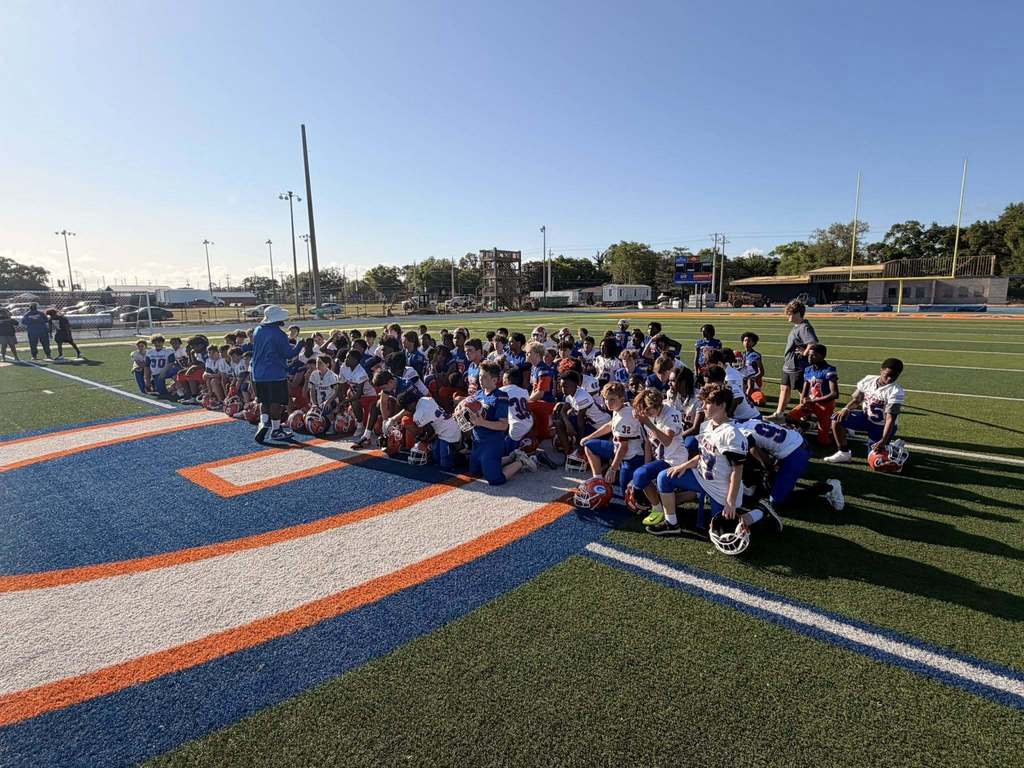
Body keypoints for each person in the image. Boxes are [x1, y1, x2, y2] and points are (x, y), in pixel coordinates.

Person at [649, 384, 749, 537]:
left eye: (707, 403)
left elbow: (737, 471)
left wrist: (730, 501)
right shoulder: (706, 425)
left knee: (722, 533)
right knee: (664, 477)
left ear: (722, 405)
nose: (703, 407)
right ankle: (672, 523)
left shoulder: (732, 434)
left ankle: (759, 512)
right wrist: (684, 466)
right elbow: (703, 455)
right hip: (702, 477)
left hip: (721, 488)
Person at [467, 361, 537, 484]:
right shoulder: (479, 394)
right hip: (478, 442)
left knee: (495, 479)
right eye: (480, 376)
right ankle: (511, 457)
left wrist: (482, 422)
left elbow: (503, 425)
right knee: (475, 472)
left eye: (484, 377)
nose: (480, 379)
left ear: (494, 380)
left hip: (492, 443)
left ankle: (521, 461)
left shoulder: (501, 396)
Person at [825, 358, 906, 464]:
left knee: (875, 461)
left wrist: (883, 440)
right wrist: (846, 409)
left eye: (894, 376)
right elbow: (856, 400)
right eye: (888, 375)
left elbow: (890, 419)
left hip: (882, 426)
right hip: (866, 418)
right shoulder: (868, 380)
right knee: (837, 418)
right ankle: (843, 452)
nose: (890, 378)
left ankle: (891, 445)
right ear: (881, 370)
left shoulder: (896, 391)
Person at [630, 388, 688, 527]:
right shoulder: (650, 414)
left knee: (640, 474)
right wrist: (646, 466)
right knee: (640, 475)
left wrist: (648, 423)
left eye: (647, 410)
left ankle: (658, 509)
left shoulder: (671, 414)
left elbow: (667, 441)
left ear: (657, 405)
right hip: (661, 457)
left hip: (674, 459)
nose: (645, 413)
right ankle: (658, 507)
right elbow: (648, 442)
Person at [251, 305, 304, 444]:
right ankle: (275, 430)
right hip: (275, 373)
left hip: (258, 373)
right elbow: (288, 354)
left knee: (264, 401)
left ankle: (263, 422)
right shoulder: (279, 334)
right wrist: (300, 345)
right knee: (277, 402)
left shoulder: (258, 330)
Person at [579, 382, 644, 492]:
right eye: (605, 399)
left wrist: (612, 469)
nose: (608, 403)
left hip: (632, 458)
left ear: (622, 399)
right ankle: (598, 479)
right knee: (589, 445)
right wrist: (589, 437)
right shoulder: (620, 407)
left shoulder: (625, 417)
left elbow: (624, 447)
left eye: (612, 399)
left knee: (626, 493)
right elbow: (610, 424)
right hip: (619, 449)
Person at [769, 300, 819, 419]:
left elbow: (813, 342)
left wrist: (804, 353)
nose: (788, 315)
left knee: (803, 392)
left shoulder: (804, 327)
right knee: (784, 388)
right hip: (789, 365)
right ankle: (779, 413)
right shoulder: (798, 327)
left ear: (798, 313)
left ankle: (806, 416)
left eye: (790, 313)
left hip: (798, 366)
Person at [390, 390, 462, 470]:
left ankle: (460, 458)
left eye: (406, 407)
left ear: (412, 403)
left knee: (445, 463)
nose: (406, 409)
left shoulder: (419, 415)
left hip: (449, 433)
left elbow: (430, 432)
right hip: (447, 426)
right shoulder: (424, 399)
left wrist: (423, 440)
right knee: (436, 456)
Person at [786, 343, 839, 445]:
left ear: (822, 356)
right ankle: (806, 425)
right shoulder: (808, 369)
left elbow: (834, 394)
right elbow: (806, 386)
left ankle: (840, 430)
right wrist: (803, 400)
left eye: (813, 355)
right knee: (789, 418)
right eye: (809, 355)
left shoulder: (829, 370)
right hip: (811, 402)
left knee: (823, 442)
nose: (809, 357)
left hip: (825, 405)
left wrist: (813, 400)